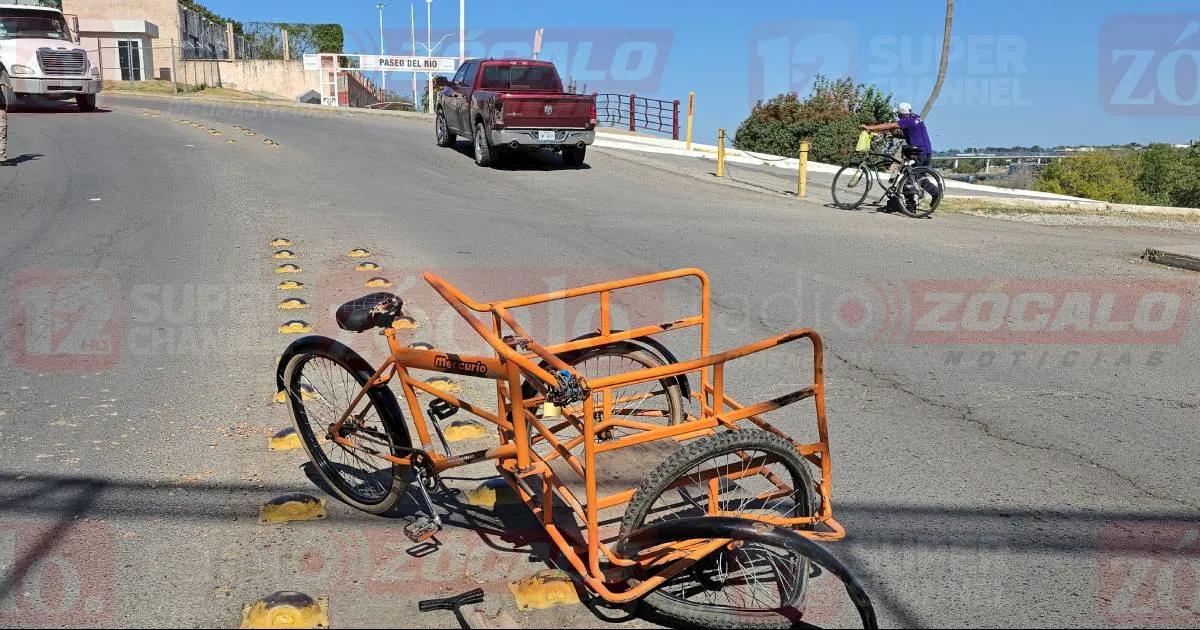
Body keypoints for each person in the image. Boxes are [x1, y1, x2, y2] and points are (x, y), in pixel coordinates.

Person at [860, 102, 939, 211]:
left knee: (908, 181)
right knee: (920, 177)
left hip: (919, 152)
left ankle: (910, 207)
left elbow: (889, 125)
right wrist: (894, 135)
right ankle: (935, 193)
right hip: (926, 151)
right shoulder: (915, 118)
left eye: (898, 114)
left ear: (901, 114)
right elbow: (910, 134)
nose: (897, 116)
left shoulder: (906, 121)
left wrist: (869, 128)